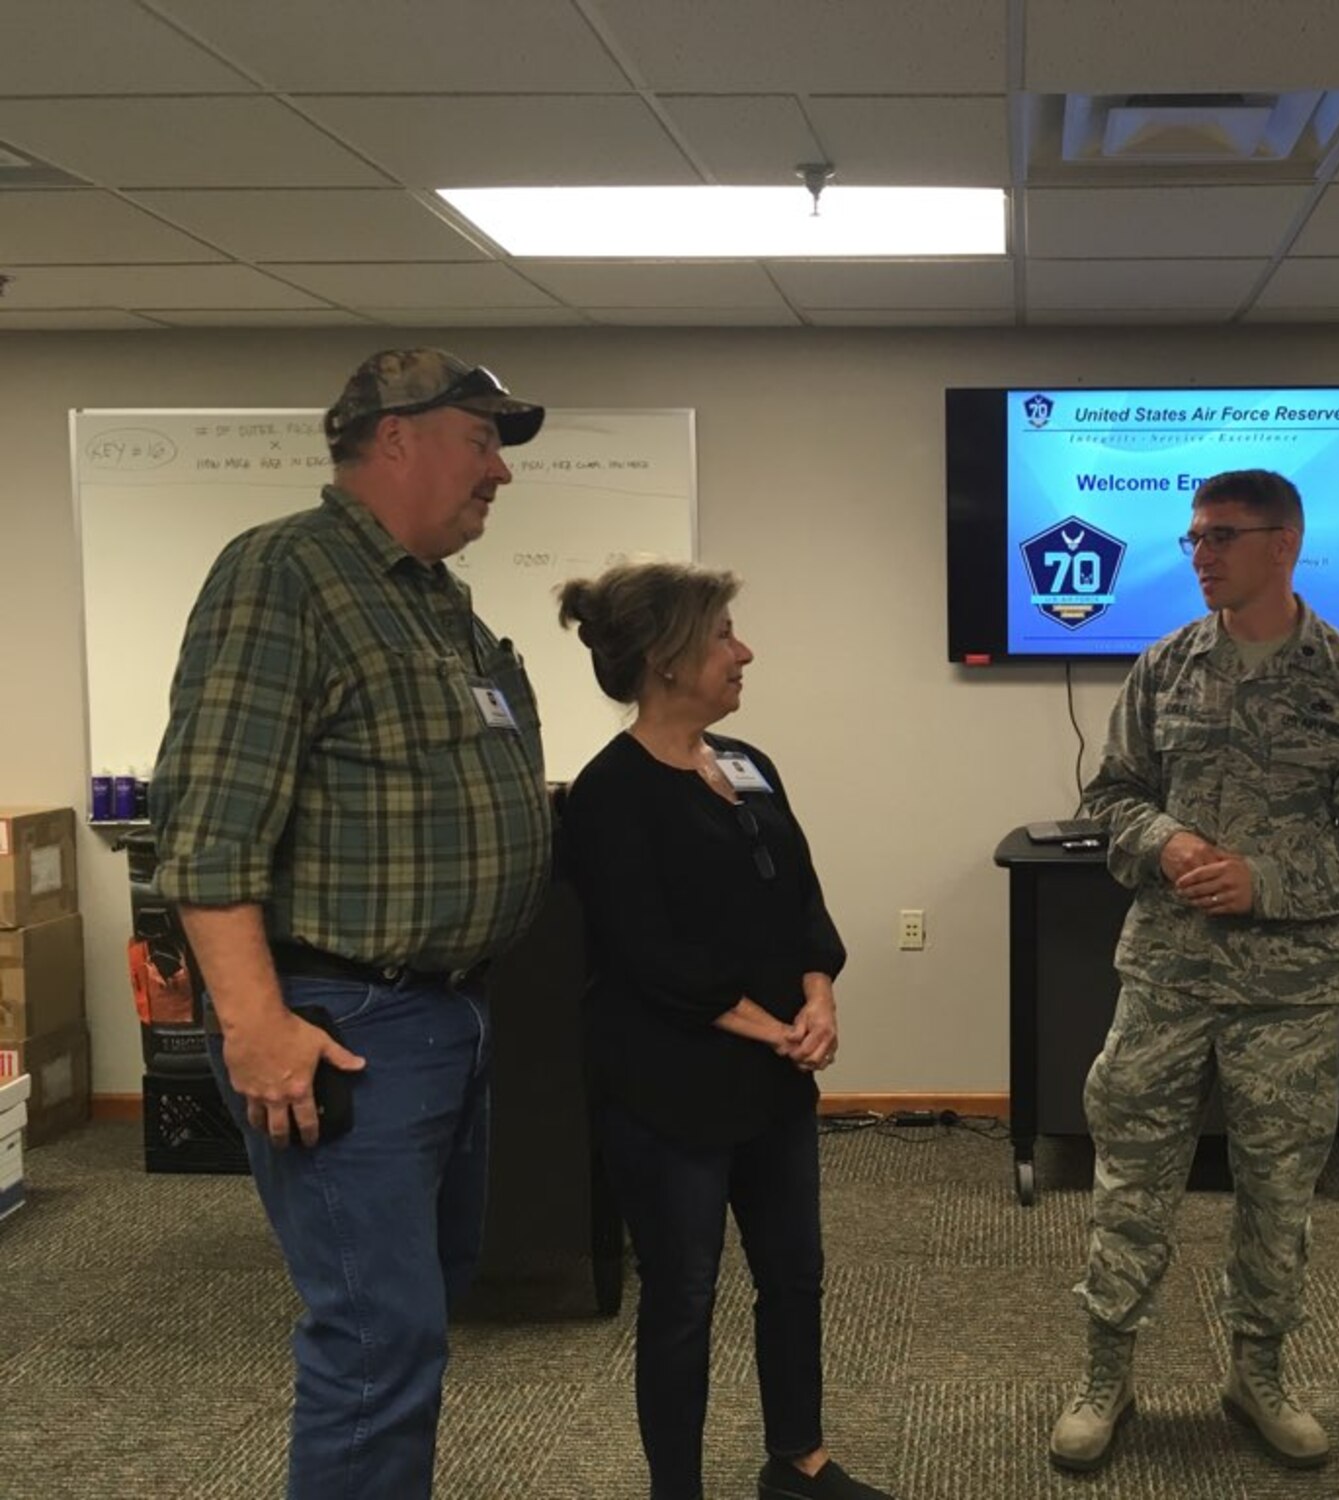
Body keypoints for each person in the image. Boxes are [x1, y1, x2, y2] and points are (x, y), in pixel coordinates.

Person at [150, 349, 555, 1498]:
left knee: (417, 1310)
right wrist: (255, 1025)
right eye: (483, 442)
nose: (499, 474)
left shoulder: (433, 600)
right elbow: (210, 828)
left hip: (444, 1017)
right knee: (377, 1340)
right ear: (397, 437)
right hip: (339, 1021)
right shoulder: (286, 575)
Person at [1050, 469, 1339, 1473]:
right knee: (1129, 1183)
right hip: (1165, 978)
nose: (1199, 551)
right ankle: (1103, 1377)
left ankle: (1258, 1377)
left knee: (1277, 1197)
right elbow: (1109, 795)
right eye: (1192, 536)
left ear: (1284, 545)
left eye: (1220, 534)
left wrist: (1262, 879)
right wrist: (1163, 844)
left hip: (1287, 993)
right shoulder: (1162, 666)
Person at [557, 563, 894, 1500]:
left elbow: (800, 900)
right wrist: (776, 1027)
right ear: (666, 661)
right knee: (682, 1302)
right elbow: (650, 958)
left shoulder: (747, 762)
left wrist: (817, 995)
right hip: (670, 1089)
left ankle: (798, 1461)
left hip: (772, 1078)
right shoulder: (609, 795)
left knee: (795, 1276)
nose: (743, 652)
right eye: (722, 637)